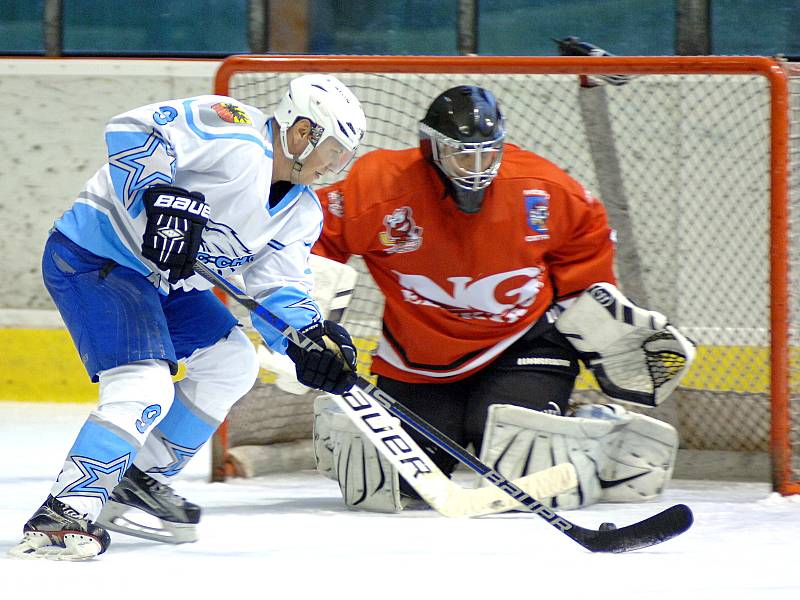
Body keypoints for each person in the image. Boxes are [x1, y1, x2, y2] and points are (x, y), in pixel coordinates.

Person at [9, 74, 366, 560]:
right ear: (303, 131)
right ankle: (61, 514)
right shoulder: (234, 130)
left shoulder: (302, 211)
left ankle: (137, 476)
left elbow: (277, 285)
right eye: (335, 150)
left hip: (166, 284)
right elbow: (133, 128)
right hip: (100, 255)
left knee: (232, 363)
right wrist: (159, 194)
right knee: (143, 385)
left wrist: (307, 338)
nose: (335, 166)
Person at [311, 85, 692, 513]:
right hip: (418, 357)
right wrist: (310, 316)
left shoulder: (541, 191)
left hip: (522, 345)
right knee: (394, 480)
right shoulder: (381, 189)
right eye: (461, 154)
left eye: (486, 154)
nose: (475, 167)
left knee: (521, 457)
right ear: (430, 148)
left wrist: (599, 324)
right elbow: (313, 230)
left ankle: (598, 433)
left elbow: (587, 240)